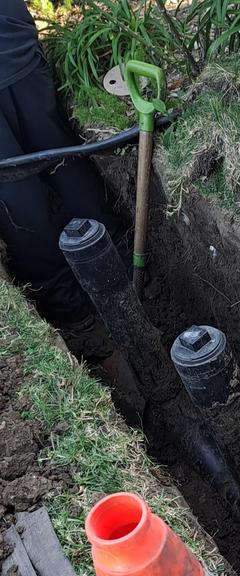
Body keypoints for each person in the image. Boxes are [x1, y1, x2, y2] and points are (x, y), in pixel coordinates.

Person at [0, 0, 128, 357]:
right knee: (60, 156)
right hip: (14, 45)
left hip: (11, 45)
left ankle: (71, 305)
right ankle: (114, 257)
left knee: (15, 193)